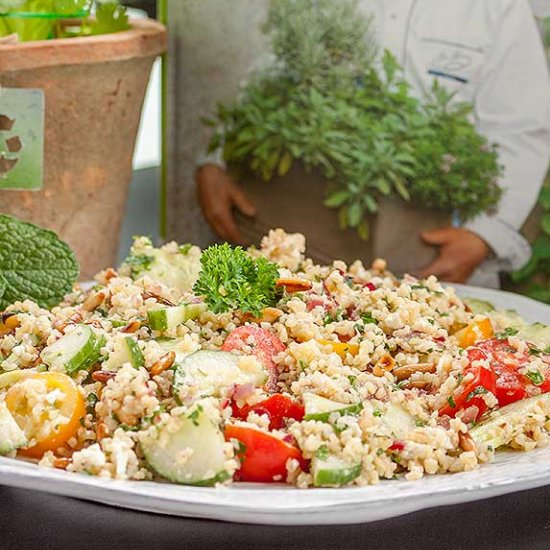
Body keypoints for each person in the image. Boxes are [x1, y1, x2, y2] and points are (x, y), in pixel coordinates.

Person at [196, 0, 550, 287]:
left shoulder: (498, 7)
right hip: (317, 240)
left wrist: (483, 236)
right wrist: (217, 160)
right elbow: (269, 81)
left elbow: (521, 129)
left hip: (429, 254)